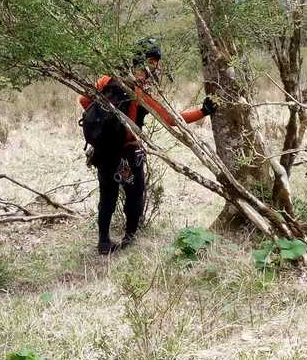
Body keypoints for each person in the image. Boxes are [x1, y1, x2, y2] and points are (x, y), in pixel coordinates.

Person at [80, 39, 215, 256]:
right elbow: (171, 119)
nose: (157, 67)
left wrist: (104, 123)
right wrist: (203, 111)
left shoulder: (106, 80)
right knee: (134, 193)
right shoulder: (141, 91)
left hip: (103, 152)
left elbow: (83, 100)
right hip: (127, 154)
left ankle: (103, 241)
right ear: (148, 62)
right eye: (154, 62)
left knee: (107, 195)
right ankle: (130, 237)